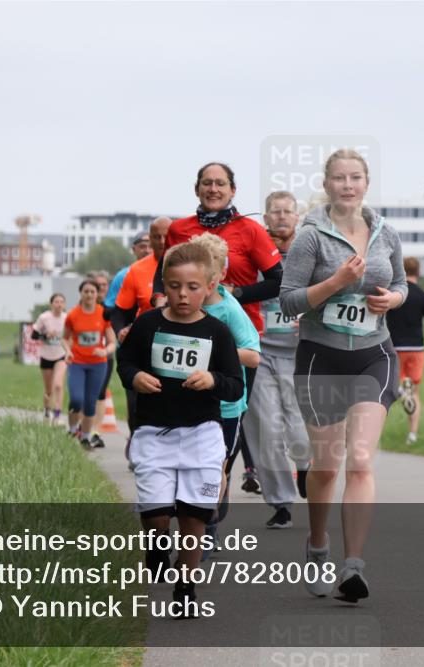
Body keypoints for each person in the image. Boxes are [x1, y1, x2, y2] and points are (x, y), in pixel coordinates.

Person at [280, 149, 407, 603]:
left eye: (355, 177)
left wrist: (393, 300)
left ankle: (354, 566)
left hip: (375, 354)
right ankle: (317, 547)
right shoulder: (310, 238)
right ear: (327, 184)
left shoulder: (386, 231)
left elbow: (402, 284)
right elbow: (288, 301)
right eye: (339, 178)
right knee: (327, 466)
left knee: (360, 459)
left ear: (366, 183)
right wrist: (334, 283)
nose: (348, 185)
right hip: (321, 359)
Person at [118, 241, 244, 616]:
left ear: (208, 287)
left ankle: (186, 587)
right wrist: (136, 377)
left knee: (195, 516)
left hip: (202, 435)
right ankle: (156, 546)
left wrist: (212, 380)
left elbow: (235, 383)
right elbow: (124, 362)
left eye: (192, 287)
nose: (183, 295)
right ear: (163, 285)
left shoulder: (217, 332)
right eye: (174, 286)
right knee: (155, 515)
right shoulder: (148, 325)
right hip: (154, 433)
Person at [152, 163, 286, 491]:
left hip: (237, 336)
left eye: (220, 183)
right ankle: (185, 491)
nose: (213, 189)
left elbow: (278, 281)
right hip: (183, 334)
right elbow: (162, 274)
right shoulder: (179, 228)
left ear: (232, 190)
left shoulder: (250, 230)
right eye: (207, 183)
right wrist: (158, 303)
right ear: (197, 189)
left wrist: (234, 295)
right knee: (182, 413)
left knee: (227, 416)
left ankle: (214, 497)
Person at [242, 191, 312, 529]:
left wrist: (311, 315)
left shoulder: (310, 252)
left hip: (302, 352)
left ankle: (306, 466)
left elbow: (332, 292)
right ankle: (281, 503)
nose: (282, 216)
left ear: (297, 217)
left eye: (288, 211)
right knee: (267, 429)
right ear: (265, 218)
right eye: (275, 211)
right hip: (261, 351)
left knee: (299, 430)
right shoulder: (254, 255)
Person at [188, 233, 261, 551]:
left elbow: (253, 356)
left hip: (225, 407)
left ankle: (207, 530)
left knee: (215, 467)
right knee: (189, 467)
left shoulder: (230, 310)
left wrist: (219, 350)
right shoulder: (183, 304)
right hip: (187, 402)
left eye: (203, 273)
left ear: (218, 275)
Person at [113, 217, 173, 451]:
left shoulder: (188, 264)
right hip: (143, 346)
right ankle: (138, 444)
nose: (160, 242)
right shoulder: (137, 270)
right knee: (136, 402)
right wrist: (121, 330)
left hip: (176, 344)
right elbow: (120, 312)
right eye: (154, 237)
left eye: (164, 237)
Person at [386, 256, 424, 445]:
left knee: (389, 388)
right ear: (418, 272)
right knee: (415, 393)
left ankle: (400, 391)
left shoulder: (393, 294)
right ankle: (412, 435)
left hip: (394, 348)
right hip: (416, 350)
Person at [63, 279, 117, 447]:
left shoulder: (103, 314)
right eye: (86, 291)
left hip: (98, 364)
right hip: (77, 362)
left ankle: (85, 437)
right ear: (81, 293)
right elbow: (64, 338)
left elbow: (112, 342)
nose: (89, 294)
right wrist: (68, 351)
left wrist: (105, 350)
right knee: (76, 400)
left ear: (97, 294)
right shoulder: (73, 314)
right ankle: (72, 430)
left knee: (90, 402)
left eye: (92, 291)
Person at [88, 270, 116, 448]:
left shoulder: (112, 308)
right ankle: (83, 428)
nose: (101, 289)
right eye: (97, 286)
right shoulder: (84, 307)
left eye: (104, 285)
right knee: (84, 394)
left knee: (100, 393)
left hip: (105, 356)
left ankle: (95, 432)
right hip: (82, 358)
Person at [32, 293, 68, 425]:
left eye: (61, 302)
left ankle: (57, 415)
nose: (59, 304)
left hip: (61, 355)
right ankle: (47, 410)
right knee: (48, 389)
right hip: (46, 355)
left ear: (64, 305)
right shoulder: (44, 317)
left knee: (58, 385)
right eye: (56, 302)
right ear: (51, 304)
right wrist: (46, 335)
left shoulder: (67, 318)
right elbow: (34, 335)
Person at [104, 229, 153, 315]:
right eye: (142, 247)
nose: (147, 251)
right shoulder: (122, 276)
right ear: (134, 249)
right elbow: (110, 307)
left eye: (151, 247)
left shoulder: (163, 273)